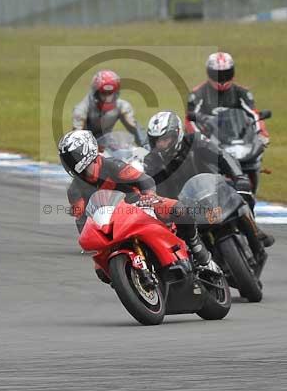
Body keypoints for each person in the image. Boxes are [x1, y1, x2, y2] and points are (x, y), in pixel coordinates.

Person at [58, 129, 212, 266]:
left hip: (138, 206)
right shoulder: (74, 189)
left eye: (72, 157)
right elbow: (82, 221)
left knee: (179, 209)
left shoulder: (112, 166)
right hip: (111, 225)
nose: (70, 162)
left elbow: (144, 180)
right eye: (67, 159)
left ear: (86, 150)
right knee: (100, 268)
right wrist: (94, 240)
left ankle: (195, 244)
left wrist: (149, 196)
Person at [142, 111, 274, 248]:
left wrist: (238, 176)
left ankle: (255, 231)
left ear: (177, 133)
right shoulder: (151, 161)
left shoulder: (195, 141)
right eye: (157, 141)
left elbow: (222, 156)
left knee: (243, 193)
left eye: (165, 139)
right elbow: (151, 187)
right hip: (184, 206)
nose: (161, 144)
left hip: (214, 189)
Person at [185, 52, 269, 192]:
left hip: (235, 139)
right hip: (208, 140)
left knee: (256, 154)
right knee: (189, 156)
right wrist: (199, 138)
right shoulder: (197, 94)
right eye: (218, 74)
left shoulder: (242, 92)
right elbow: (189, 120)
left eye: (226, 74)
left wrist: (262, 133)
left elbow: (254, 114)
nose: (222, 79)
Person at [71, 70, 146, 146]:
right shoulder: (81, 110)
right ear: (96, 93)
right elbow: (77, 136)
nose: (107, 98)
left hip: (106, 143)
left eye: (110, 93)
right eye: (103, 93)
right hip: (87, 146)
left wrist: (146, 148)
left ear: (116, 93)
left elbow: (135, 129)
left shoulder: (122, 107)